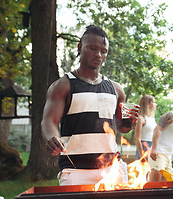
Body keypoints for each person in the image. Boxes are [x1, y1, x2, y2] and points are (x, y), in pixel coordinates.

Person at [41, 25, 138, 186]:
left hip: (112, 168)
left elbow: (122, 127)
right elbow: (49, 120)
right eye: (93, 48)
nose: (98, 54)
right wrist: (52, 138)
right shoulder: (64, 85)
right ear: (80, 47)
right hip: (76, 170)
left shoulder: (116, 89)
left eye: (103, 51)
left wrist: (130, 122)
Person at [134, 95, 157, 160]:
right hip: (144, 147)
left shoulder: (152, 119)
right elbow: (137, 139)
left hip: (152, 146)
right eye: (154, 102)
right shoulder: (141, 119)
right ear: (148, 104)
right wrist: (142, 155)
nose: (156, 104)